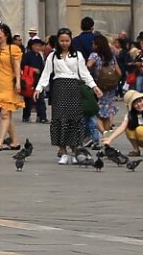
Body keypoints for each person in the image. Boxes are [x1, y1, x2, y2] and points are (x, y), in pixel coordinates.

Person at [37, 29, 98, 161]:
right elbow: (46, 73)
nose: (64, 43)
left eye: (67, 41)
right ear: (58, 41)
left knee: (75, 118)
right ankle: (62, 149)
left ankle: (75, 148)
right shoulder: (53, 56)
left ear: (71, 41)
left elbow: (84, 73)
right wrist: (39, 88)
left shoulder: (77, 55)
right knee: (59, 118)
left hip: (73, 87)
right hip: (59, 87)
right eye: (62, 41)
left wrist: (94, 86)